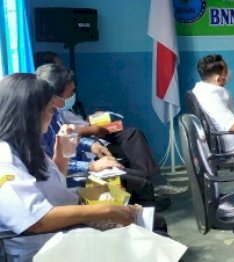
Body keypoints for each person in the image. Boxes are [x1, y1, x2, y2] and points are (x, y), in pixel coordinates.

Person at [0, 74, 140, 261]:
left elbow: (53, 186)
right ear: (31, 114)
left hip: (64, 232)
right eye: (50, 110)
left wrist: (62, 153)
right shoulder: (5, 161)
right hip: (45, 249)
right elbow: (37, 221)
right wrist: (106, 210)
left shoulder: (26, 145)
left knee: (147, 226)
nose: (52, 116)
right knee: (145, 237)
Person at [35, 63, 186, 197]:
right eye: (70, 93)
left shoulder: (54, 114)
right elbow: (50, 164)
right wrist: (90, 166)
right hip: (69, 174)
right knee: (138, 183)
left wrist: (91, 145)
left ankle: (155, 186)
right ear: (55, 96)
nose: (72, 96)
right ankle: (151, 193)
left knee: (133, 140)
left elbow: (68, 138)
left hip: (82, 155)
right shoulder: (38, 122)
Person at [191, 54, 234, 154]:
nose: (229, 73)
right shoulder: (212, 96)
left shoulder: (200, 88)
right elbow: (232, 125)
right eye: (226, 71)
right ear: (218, 79)